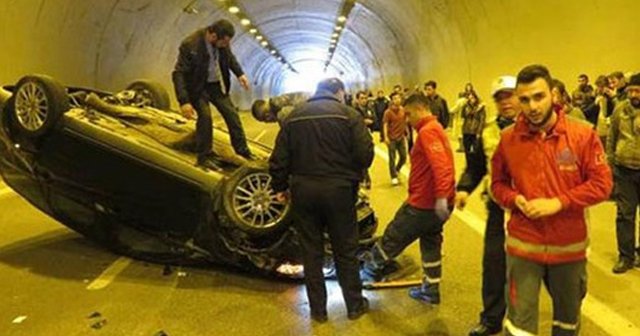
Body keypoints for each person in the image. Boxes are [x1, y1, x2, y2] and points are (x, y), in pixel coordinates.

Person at [491, 64, 612, 336]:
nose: (532, 106)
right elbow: (497, 184)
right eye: (524, 99)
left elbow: (602, 185)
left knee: (567, 323)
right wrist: (514, 199)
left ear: (553, 95)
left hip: (568, 247)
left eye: (538, 96)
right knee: (519, 325)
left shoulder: (582, 135)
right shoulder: (509, 139)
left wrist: (560, 202)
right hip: (523, 246)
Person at [269, 78, 373, 322]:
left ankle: (318, 311)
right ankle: (355, 306)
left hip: (304, 190)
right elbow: (364, 154)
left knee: (311, 251)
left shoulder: (294, 116)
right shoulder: (349, 115)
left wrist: (279, 187)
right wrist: (353, 173)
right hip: (339, 190)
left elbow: (279, 158)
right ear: (338, 93)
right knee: (345, 249)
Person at [364, 93, 455, 305]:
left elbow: (442, 167)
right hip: (436, 206)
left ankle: (365, 272)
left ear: (419, 110)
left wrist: (441, 197)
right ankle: (430, 290)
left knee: (393, 237)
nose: (407, 119)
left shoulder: (427, 132)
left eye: (408, 114)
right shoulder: (436, 128)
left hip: (424, 205)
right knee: (431, 243)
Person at [455, 76, 520, 336]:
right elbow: (476, 166)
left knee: (543, 267)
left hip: (531, 211)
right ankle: (491, 319)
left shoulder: (535, 126)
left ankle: (568, 303)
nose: (505, 102)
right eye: (500, 98)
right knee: (494, 265)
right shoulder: (488, 130)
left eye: (510, 95)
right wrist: (463, 188)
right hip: (497, 209)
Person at [172, 19, 253, 170]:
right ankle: (204, 156)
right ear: (213, 36)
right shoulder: (191, 45)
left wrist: (240, 74)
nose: (225, 46)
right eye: (224, 42)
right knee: (205, 117)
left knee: (232, 115)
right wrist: (184, 101)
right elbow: (179, 73)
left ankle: (242, 151)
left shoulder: (223, 43)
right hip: (197, 87)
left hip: (215, 85)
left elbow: (229, 59)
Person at [606, 73, 640, 273]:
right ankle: (625, 257)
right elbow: (611, 138)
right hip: (624, 170)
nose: (634, 94)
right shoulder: (621, 109)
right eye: (631, 91)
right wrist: (610, 164)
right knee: (625, 215)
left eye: (638, 91)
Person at [382, 92, 408, 186]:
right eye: (395, 98)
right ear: (392, 100)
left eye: (398, 98)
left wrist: (407, 132)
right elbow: (385, 125)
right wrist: (385, 137)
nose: (397, 100)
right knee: (392, 158)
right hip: (392, 138)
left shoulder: (403, 110)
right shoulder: (388, 112)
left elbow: (405, 122)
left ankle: (397, 170)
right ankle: (393, 176)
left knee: (403, 157)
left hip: (401, 138)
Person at [355, 90, 376, 189]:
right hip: (358, 138)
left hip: (368, 136)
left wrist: (372, 122)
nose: (364, 100)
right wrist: (363, 121)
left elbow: (375, 120)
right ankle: (365, 179)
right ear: (357, 100)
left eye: (365, 98)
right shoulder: (354, 111)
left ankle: (365, 179)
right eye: (362, 98)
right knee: (361, 158)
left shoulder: (369, 108)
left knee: (368, 157)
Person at [460, 90, 486, 167]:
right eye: (469, 98)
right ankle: (469, 166)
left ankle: (476, 167)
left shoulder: (480, 108)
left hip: (475, 131)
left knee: (476, 151)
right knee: (467, 151)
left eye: (472, 98)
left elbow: (482, 121)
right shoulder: (465, 107)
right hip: (466, 130)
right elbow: (463, 116)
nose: (471, 100)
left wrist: (479, 132)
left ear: (475, 98)